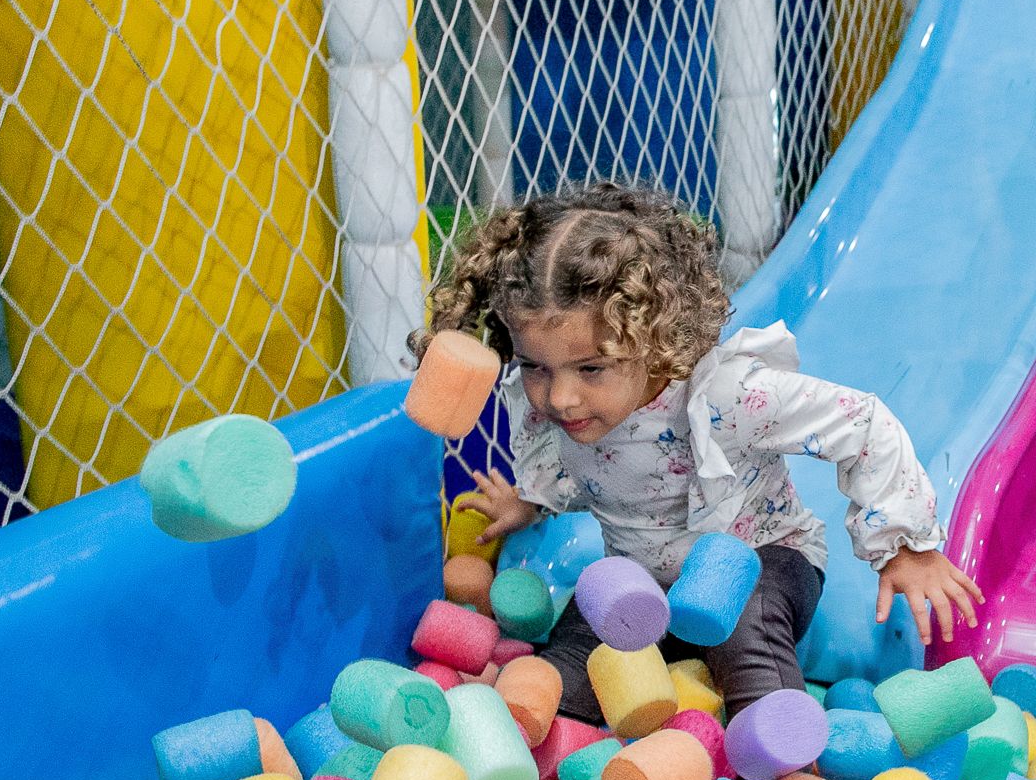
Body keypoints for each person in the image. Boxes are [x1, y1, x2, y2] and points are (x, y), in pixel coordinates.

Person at [412, 182, 983, 723]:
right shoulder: (560, 404)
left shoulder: (727, 398)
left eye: (591, 368)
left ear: (654, 338)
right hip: (640, 580)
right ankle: (542, 768)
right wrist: (529, 504)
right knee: (573, 662)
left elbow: (862, 422)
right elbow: (577, 473)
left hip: (762, 561)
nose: (560, 396)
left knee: (745, 632)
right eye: (536, 365)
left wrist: (905, 546)